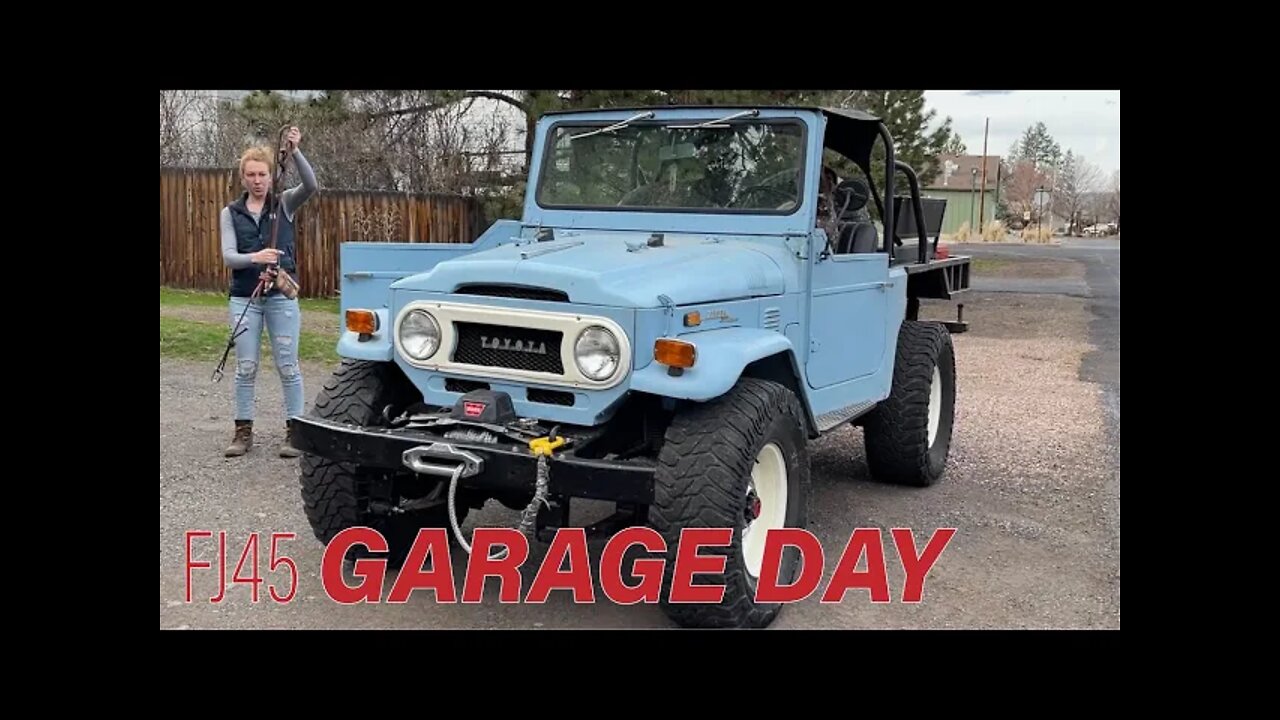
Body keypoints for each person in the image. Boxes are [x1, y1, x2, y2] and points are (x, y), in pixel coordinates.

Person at [220, 126, 318, 457]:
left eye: (262, 173)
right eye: (251, 174)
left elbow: (312, 185)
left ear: (269, 176)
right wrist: (255, 258)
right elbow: (229, 257)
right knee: (246, 366)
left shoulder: (285, 204)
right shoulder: (230, 214)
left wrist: (295, 152)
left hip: (281, 299)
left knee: (288, 366)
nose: (258, 180)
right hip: (244, 298)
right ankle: (243, 432)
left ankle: (296, 432)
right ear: (243, 178)